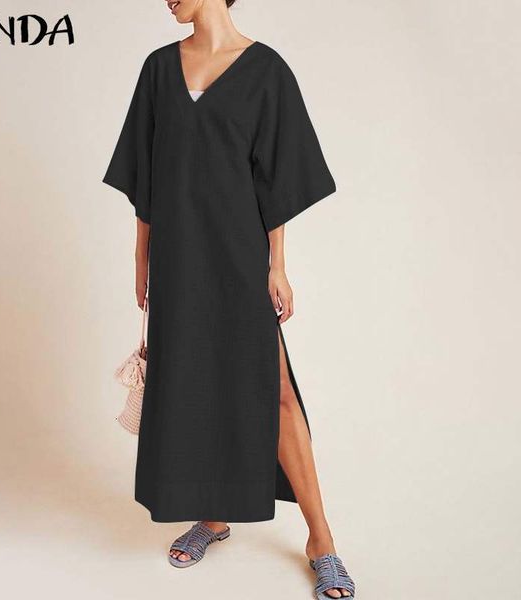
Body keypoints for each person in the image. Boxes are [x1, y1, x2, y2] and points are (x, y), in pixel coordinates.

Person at [103, 1, 355, 597]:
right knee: (195, 384)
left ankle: (321, 540)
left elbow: (276, 177)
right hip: (177, 259)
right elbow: (145, 172)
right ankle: (214, 517)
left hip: (239, 258)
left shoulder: (266, 70)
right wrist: (141, 258)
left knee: (276, 392)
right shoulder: (158, 69)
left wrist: (278, 266)